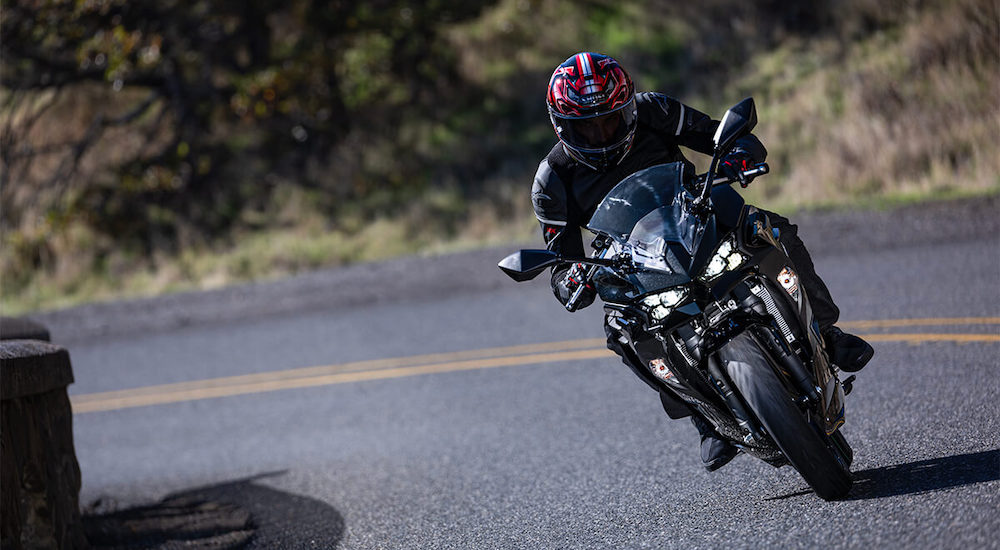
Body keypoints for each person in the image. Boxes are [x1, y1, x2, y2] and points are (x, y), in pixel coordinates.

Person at [531, 52, 874, 471]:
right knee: (620, 330)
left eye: (610, 120)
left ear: (628, 108)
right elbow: (560, 262)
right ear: (561, 126)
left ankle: (825, 332)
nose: (602, 133)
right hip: (633, 259)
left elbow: (724, 136)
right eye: (587, 126)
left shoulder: (654, 110)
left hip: (695, 215)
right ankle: (704, 418)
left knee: (769, 227)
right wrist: (573, 279)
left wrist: (738, 155)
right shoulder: (552, 179)